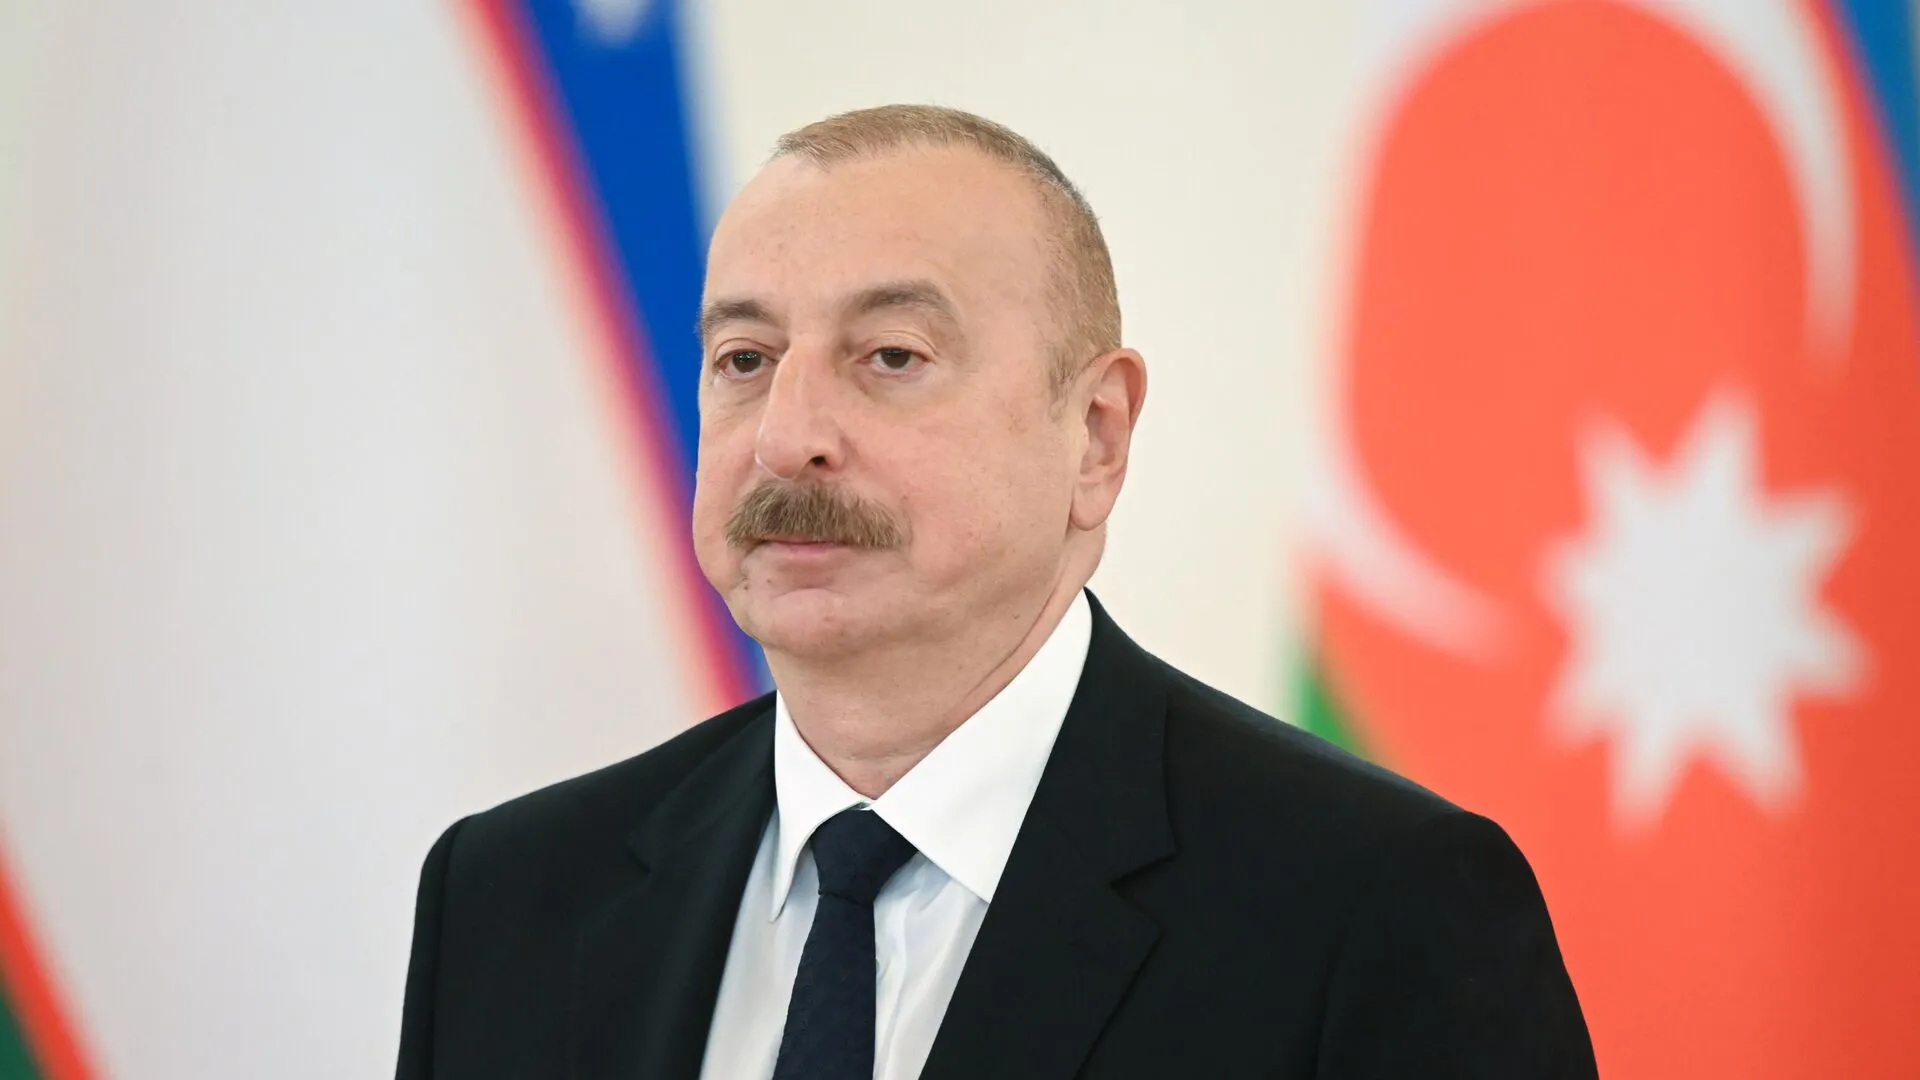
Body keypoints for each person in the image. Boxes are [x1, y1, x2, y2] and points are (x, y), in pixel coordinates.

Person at [395, 104, 1597, 1080]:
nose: (786, 437)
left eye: (892, 356)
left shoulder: (1377, 908)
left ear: (1097, 435)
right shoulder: (509, 897)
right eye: (744, 360)